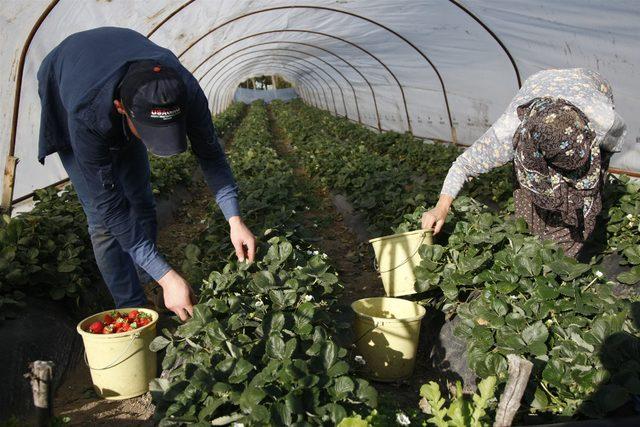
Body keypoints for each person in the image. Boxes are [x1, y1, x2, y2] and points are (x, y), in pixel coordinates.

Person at [37, 27, 256, 320]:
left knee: (141, 200)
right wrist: (169, 277)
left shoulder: (186, 89)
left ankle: (150, 278)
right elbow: (111, 207)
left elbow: (211, 155)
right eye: (153, 133)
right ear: (122, 110)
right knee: (102, 223)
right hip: (68, 83)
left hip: (121, 83)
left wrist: (235, 219)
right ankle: (134, 308)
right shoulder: (86, 115)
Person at [422, 68, 626, 257]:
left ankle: (565, 251)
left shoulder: (604, 123)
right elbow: (463, 165)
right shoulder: (509, 132)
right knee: (530, 202)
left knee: (583, 198)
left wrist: (587, 185)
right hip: (538, 83)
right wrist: (441, 207)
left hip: (590, 83)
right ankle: (536, 238)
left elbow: (604, 159)